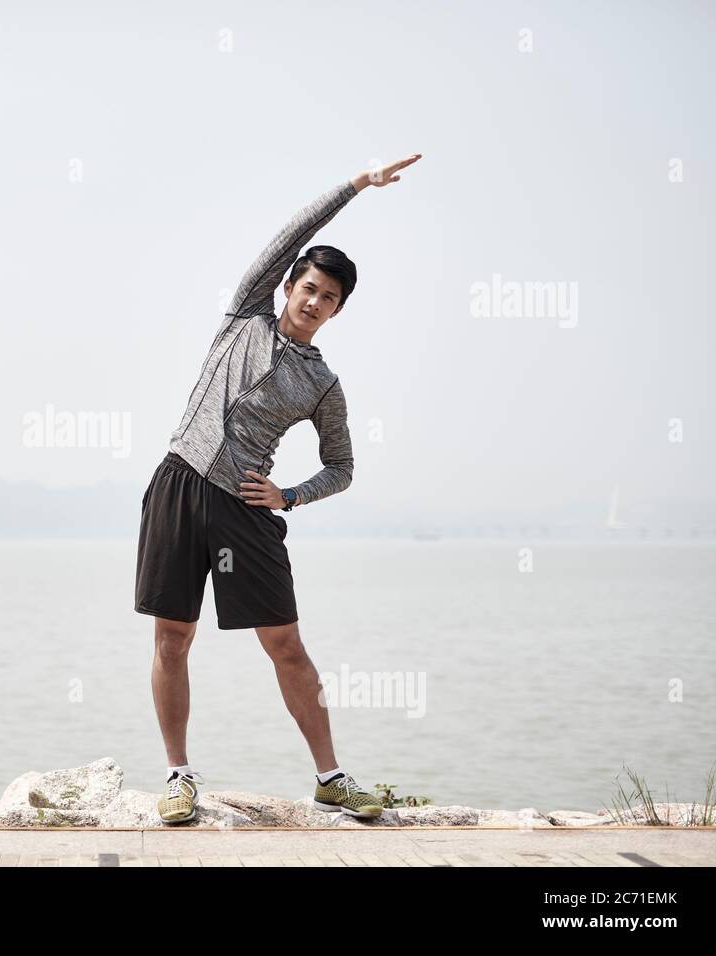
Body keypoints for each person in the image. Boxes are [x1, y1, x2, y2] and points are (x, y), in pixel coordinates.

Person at [133, 154, 422, 824]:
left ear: (338, 310)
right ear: (289, 285)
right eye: (309, 287)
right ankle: (178, 776)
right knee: (172, 638)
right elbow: (291, 232)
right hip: (180, 486)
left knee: (286, 645)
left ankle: (331, 776)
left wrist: (288, 496)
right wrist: (358, 184)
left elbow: (342, 467)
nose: (314, 300)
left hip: (247, 512)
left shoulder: (322, 384)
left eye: (330, 297)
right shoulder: (245, 316)